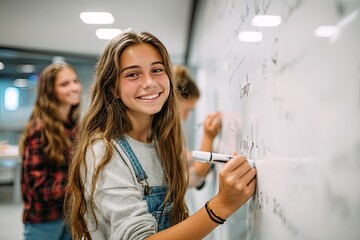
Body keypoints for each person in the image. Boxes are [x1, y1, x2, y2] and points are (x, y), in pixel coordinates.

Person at [65, 31, 256, 240]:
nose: (149, 82)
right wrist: (222, 204)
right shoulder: (103, 152)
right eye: (132, 74)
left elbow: (189, 179)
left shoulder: (160, 140)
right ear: (113, 89)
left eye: (157, 70)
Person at [19, 63, 82, 240]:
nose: (74, 87)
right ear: (50, 91)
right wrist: (79, 188)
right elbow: (38, 186)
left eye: (75, 81)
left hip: (70, 215)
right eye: (65, 84)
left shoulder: (74, 126)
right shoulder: (39, 130)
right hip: (45, 221)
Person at [174, 64, 222, 188]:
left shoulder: (173, 132)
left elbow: (189, 163)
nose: (186, 117)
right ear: (173, 101)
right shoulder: (163, 135)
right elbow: (197, 173)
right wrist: (208, 137)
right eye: (187, 110)